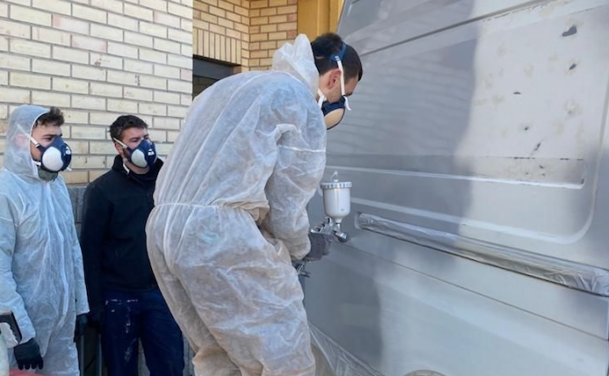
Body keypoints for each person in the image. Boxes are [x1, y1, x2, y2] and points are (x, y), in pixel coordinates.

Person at [145, 32, 363, 375]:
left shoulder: (232, 86)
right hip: (220, 238)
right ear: (334, 77)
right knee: (284, 359)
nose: (338, 105)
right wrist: (302, 245)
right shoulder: (298, 101)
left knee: (218, 353)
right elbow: (287, 204)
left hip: (163, 229)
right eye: (344, 96)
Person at [80, 115, 184, 376]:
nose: (145, 145)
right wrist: (94, 303)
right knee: (120, 368)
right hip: (118, 296)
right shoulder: (103, 190)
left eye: (146, 138)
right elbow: (89, 249)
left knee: (170, 365)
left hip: (161, 292)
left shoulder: (168, 183)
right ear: (119, 147)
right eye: (135, 140)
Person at [0, 105, 89, 375]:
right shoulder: (6, 190)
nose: (59, 146)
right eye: (49, 139)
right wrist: (19, 335)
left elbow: (72, 249)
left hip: (61, 325)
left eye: (59, 137)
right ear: (20, 139)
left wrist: (79, 307)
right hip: (22, 332)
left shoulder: (56, 184)